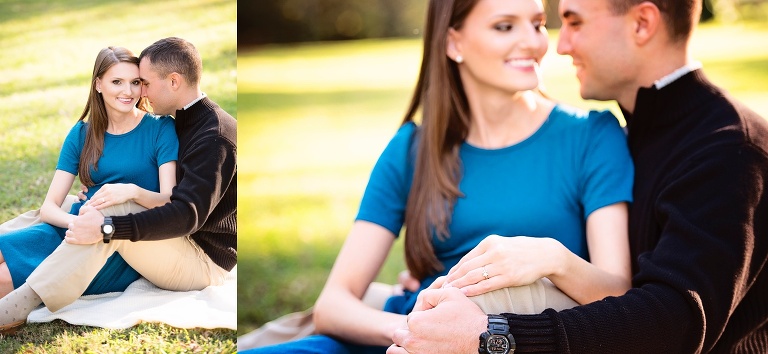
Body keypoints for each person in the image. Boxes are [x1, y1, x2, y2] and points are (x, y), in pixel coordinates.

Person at [244, 0, 634, 352]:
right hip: (401, 334)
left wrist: (555, 259)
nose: (532, 42)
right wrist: (422, 333)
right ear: (453, 43)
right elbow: (335, 303)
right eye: (504, 26)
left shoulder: (592, 136)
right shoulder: (413, 148)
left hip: (511, 340)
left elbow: (619, 293)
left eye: (536, 23)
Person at [388, 0, 768, 353]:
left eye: (574, 22)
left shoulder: (729, 150)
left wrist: (492, 336)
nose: (559, 45)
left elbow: (673, 321)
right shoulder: (636, 133)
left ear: (642, 24)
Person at [0, 37, 237, 334]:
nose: (139, 92)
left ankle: (21, 303)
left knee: (110, 207)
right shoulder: (182, 120)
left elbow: (186, 215)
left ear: (174, 82)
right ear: (99, 84)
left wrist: (108, 225)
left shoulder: (212, 134)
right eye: (127, 82)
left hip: (201, 257)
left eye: (142, 83)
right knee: (72, 205)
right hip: (154, 237)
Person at [0, 46, 178, 312]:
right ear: (98, 85)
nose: (127, 92)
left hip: (116, 242)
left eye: (135, 82)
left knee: (3, 279)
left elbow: (169, 200)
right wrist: (80, 225)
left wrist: (130, 193)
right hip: (73, 229)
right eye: (116, 82)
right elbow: (50, 207)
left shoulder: (160, 128)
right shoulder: (82, 133)